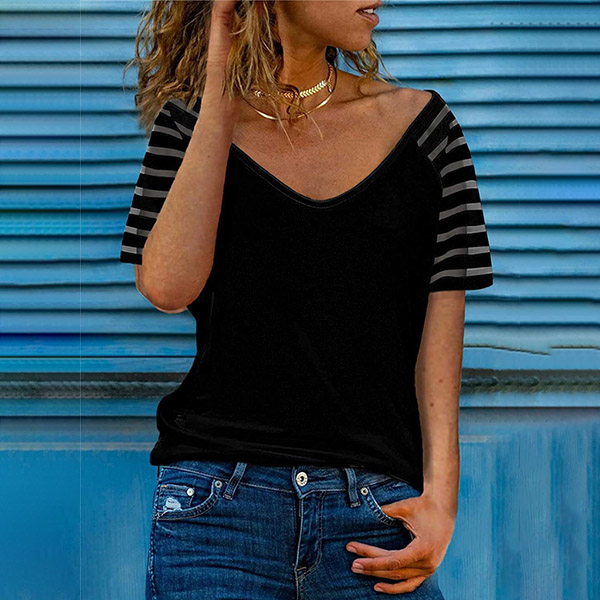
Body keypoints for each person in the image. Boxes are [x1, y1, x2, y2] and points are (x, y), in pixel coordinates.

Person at [119, 1, 493, 598]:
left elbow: (441, 327)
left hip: (374, 512)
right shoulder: (190, 125)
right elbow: (166, 287)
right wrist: (220, 94)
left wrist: (441, 500)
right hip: (217, 512)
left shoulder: (425, 127)